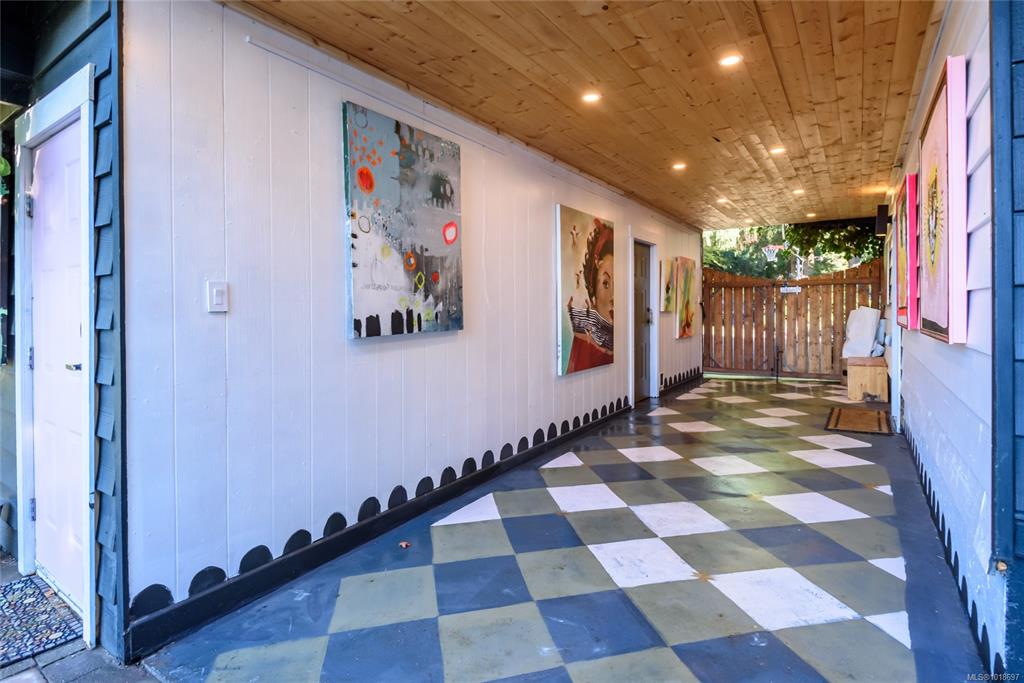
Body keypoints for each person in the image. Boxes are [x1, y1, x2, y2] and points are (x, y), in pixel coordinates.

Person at [566, 218, 614, 372]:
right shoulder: (584, 341)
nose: (613, 297)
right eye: (605, 284)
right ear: (594, 291)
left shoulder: (617, 340)